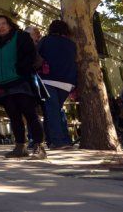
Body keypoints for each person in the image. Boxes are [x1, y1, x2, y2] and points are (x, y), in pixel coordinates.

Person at [0, 15, 46, 160]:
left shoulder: (21, 37)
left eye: (4, 23)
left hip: (21, 82)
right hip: (3, 86)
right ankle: (20, 147)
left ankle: (39, 147)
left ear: (10, 25)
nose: (1, 27)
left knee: (30, 114)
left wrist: (21, 69)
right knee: (14, 117)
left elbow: (31, 55)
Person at [37, 20, 77, 150]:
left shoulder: (45, 40)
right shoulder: (72, 45)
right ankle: (59, 139)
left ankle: (58, 141)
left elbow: (36, 56)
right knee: (56, 110)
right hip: (67, 83)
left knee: (52, 111)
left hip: (48, 79)